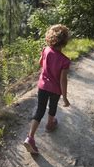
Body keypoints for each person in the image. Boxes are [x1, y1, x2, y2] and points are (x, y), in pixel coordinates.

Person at [23, 24, 71, 154]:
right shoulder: (65, 61)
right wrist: (65, 98)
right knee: (53, 105)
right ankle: (50, 124)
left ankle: (30, 137)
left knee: (40, 110)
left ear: (50, 38)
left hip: (43, 86)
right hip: (55, 89)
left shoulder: (45, 50)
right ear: (65, 41)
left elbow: (40, 63)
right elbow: (63, 80)